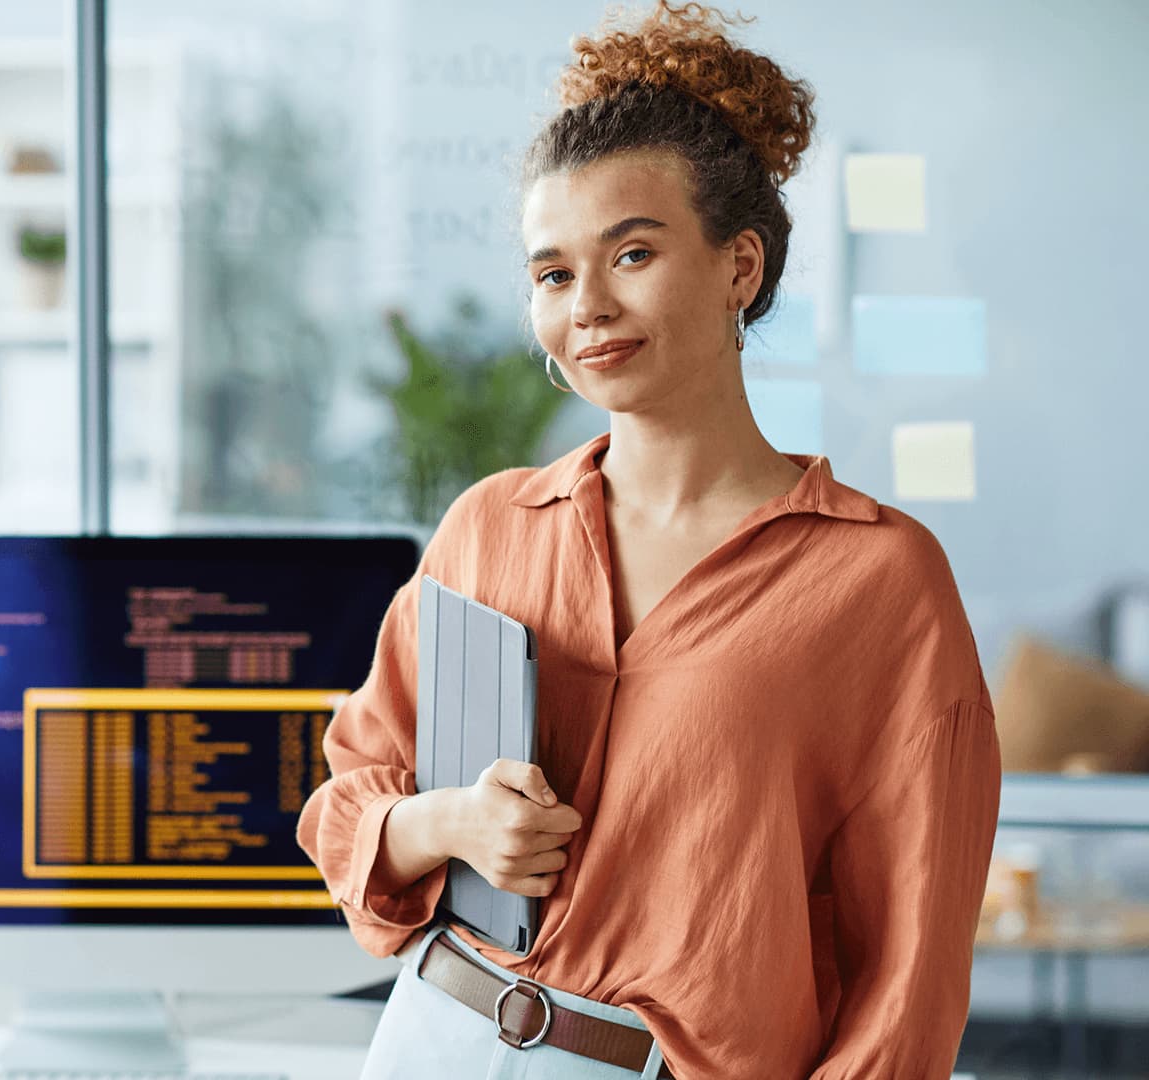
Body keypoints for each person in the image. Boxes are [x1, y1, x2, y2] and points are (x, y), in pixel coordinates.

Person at [296, 3, 1003, 1077]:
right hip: (430, 1033)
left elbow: (907, 982)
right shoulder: (489, 526)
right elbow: (347, 803)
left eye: (632, 253)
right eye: (553, 273)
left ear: (739, 268)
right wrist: (449, 823)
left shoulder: (881, 581)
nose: (588, 306)